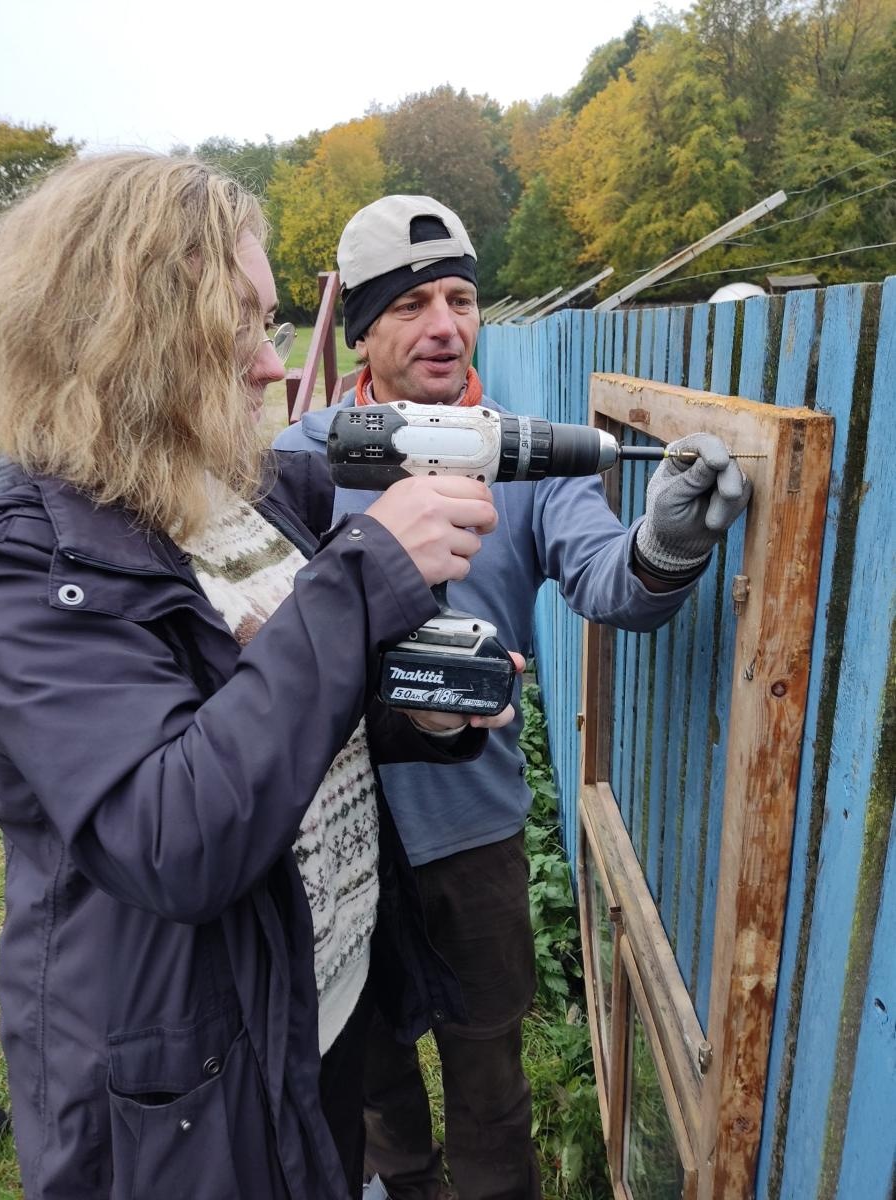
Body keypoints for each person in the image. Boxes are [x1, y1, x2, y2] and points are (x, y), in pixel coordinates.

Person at [0, 158, 520, 1200]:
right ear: (125, 332)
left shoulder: (239, 493)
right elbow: (170, 830)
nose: (274, 368)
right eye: (237, 326)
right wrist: (366, 573)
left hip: (315, 1011)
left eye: (270, 323)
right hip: (188, 1084)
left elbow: (276, 709)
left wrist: (414, 714)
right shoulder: (34, 555)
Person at [273, 195, 752, 1200]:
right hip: (341, 845)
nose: (445, 323)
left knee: (491, 1084)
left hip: (473, 841)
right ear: (361, 329)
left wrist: (666, 543)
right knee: (372, 1084)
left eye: (460, 297)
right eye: (410, 305)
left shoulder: (525, 458)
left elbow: (608, 580)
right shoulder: (304, 459)